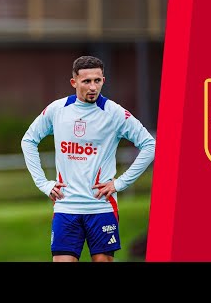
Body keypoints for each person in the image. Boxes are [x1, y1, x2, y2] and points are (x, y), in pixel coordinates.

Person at [21, 55, 156, 262]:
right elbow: (29, 140)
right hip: (66, 207)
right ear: (74, 82)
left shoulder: (114, 113)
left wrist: (120, 183)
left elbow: (149, 145)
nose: (93, 87)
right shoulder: (57, 110)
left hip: (101, 206)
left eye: (97, 80)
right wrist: (43, 184)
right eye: (86, 81)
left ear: (103, 80)